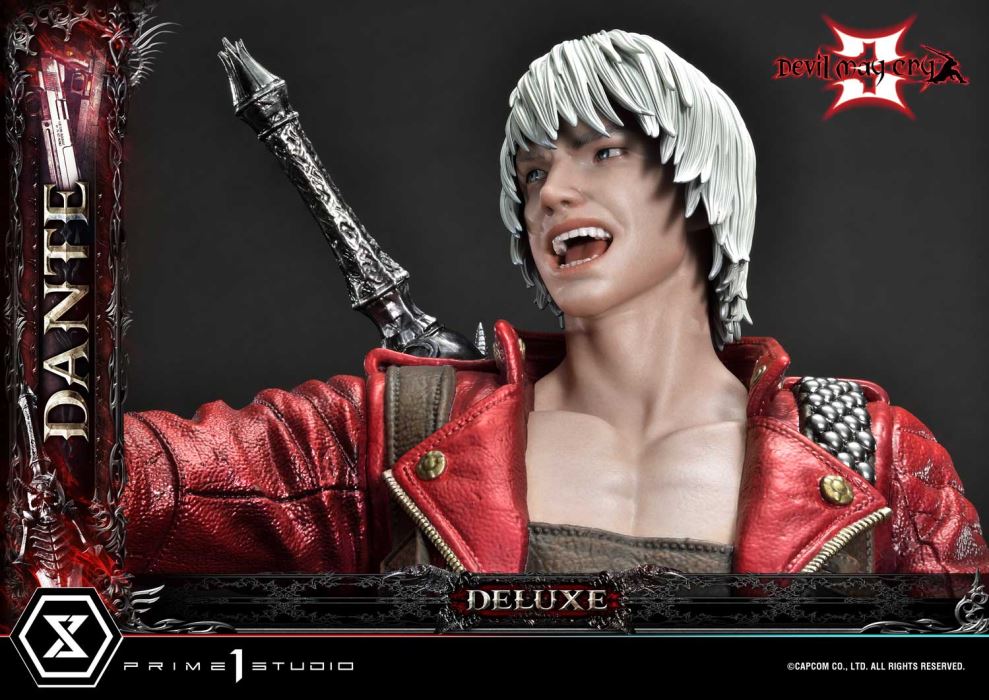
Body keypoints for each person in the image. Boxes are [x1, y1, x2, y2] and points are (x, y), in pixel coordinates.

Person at [120, 30, 987, 589]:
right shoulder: (395, 434)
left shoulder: (871, 458)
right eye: (532, 172)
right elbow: (110, 481)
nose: (551, 193)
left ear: (700, 188)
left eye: (600, 152)